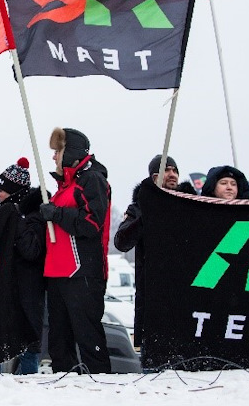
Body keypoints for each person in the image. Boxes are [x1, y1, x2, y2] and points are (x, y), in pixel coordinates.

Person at [37, 128, 112, 374]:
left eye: (57, 151)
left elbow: (92, 223)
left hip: (83, 272)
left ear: (70, 153)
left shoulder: (93, 180)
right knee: (59, 342)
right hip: (58, 273)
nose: (53, 157)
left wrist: (56, 213)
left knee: (88, 338)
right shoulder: (64, 186)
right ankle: (64, 389)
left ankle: (101, 386)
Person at [113, 155, 196, 351]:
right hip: (153, 290)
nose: (172, 174)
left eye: (175, 170)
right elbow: (122, 242)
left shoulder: (191, 205)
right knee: (154, 350)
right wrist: (148, 212)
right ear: (153, 177)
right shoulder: (139, 209)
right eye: (166, 170)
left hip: (186, 286)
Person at [0, 157, 47, 375]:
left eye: (1, 190)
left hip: (28, 292)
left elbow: (31, 251)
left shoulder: (33, 217)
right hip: (9, 291)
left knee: (29, 347)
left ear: (14, 192)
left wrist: (15, 219)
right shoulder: (9, 215)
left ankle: (28, 386)